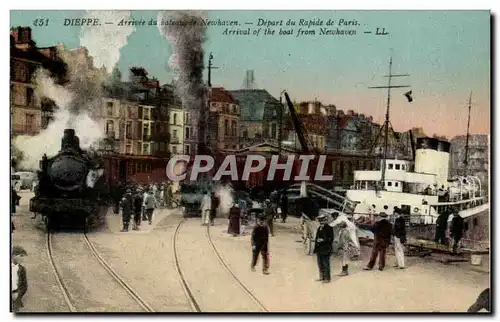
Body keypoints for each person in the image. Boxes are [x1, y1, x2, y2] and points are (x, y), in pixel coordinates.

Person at [314, 214, 334, 283]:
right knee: (320, 264)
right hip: (319, 249)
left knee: (326, 264)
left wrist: (323, 240)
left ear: (326, 221)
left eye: (322, 221)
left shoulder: (329, 228)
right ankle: (322, 277)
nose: (321, 222)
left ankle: (327, 278)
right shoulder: (319, 228)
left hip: (326, 249)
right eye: (320, 221)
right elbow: (317, 237)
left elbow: (331, 239)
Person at [11, 246, 28, 312]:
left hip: (15, 297)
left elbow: (24, 286)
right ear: (13, 255)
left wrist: (18, 296)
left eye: (23, 257)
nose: (22, 259)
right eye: (21, 256)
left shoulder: (22, 269)